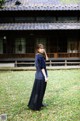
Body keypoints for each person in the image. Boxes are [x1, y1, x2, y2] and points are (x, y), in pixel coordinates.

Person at [28, 44, 48, 111]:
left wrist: (44, 52)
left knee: (38, 91)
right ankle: (36, 106)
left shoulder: (37, 56)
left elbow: (47, 59)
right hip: (41, 77)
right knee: (39, 92)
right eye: (41, 48)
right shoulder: (40, 57)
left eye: (43, 48)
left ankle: (39, 103)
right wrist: (45, 77)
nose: (42, 49)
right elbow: (42, 68)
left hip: (37, 76)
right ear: (38, 49)